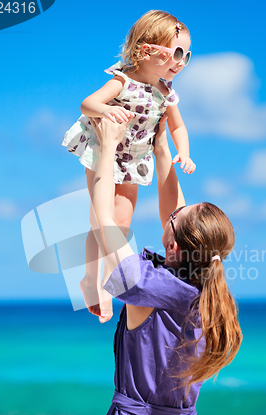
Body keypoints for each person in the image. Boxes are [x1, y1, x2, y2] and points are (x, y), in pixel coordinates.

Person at [86, 114, 243, 415]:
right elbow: (180, 219)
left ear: (174, 246)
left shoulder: (148, 285)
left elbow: (103, 220)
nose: (171, 212)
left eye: (173, 219)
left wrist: (107, 150)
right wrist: (160, 148)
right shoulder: (209, 287)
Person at [62, 10, 195, 322]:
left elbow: (178, 128)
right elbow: (87, 104)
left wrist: (184, 153)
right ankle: (93, 281)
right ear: (145, 49)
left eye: (187, 56)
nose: (181, 61)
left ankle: (107, 281)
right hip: (103, 150)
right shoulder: (122, 81)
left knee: (118, 226)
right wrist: (107, 112)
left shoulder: (166, 93)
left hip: (134, 160)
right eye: (177, 53)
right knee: (99, 219)